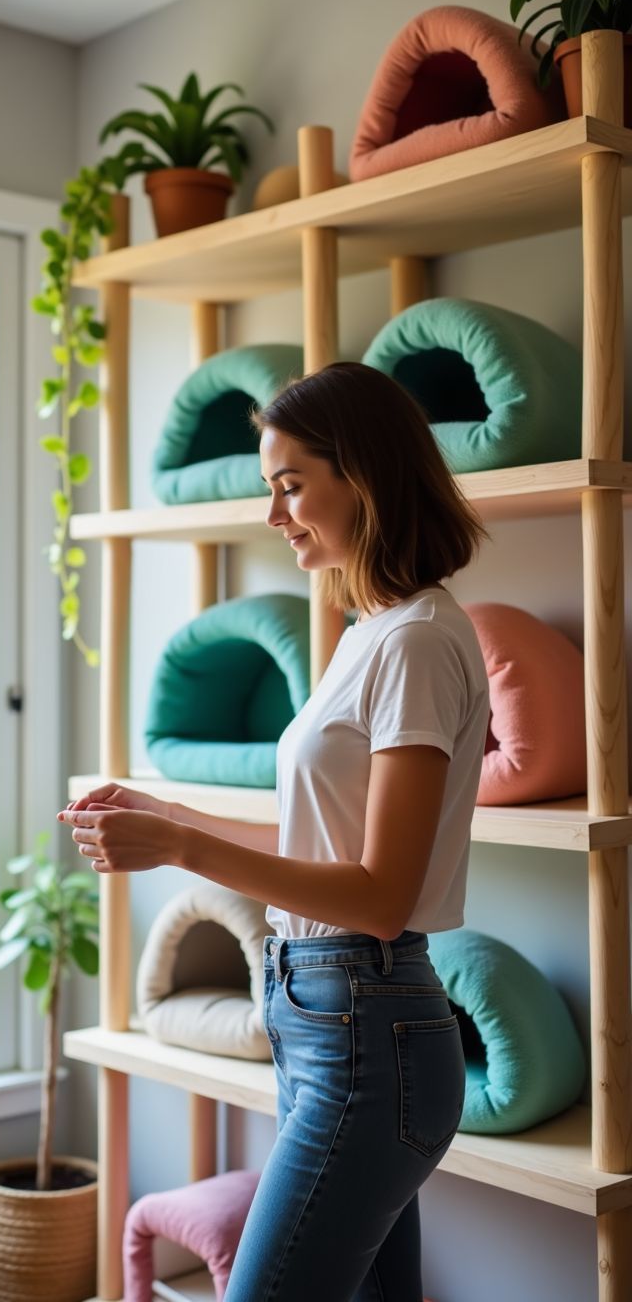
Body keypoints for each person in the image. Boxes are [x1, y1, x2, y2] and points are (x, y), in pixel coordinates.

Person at [59, 361, 491, 1302]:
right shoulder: (369, 632)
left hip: (365, 1028)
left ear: (365, 477)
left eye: (291, 486)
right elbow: (317, 848)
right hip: (326, 1020)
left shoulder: (416, 642)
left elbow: (380, 896)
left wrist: (179, 848)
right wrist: (161, 812)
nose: (275, 514)